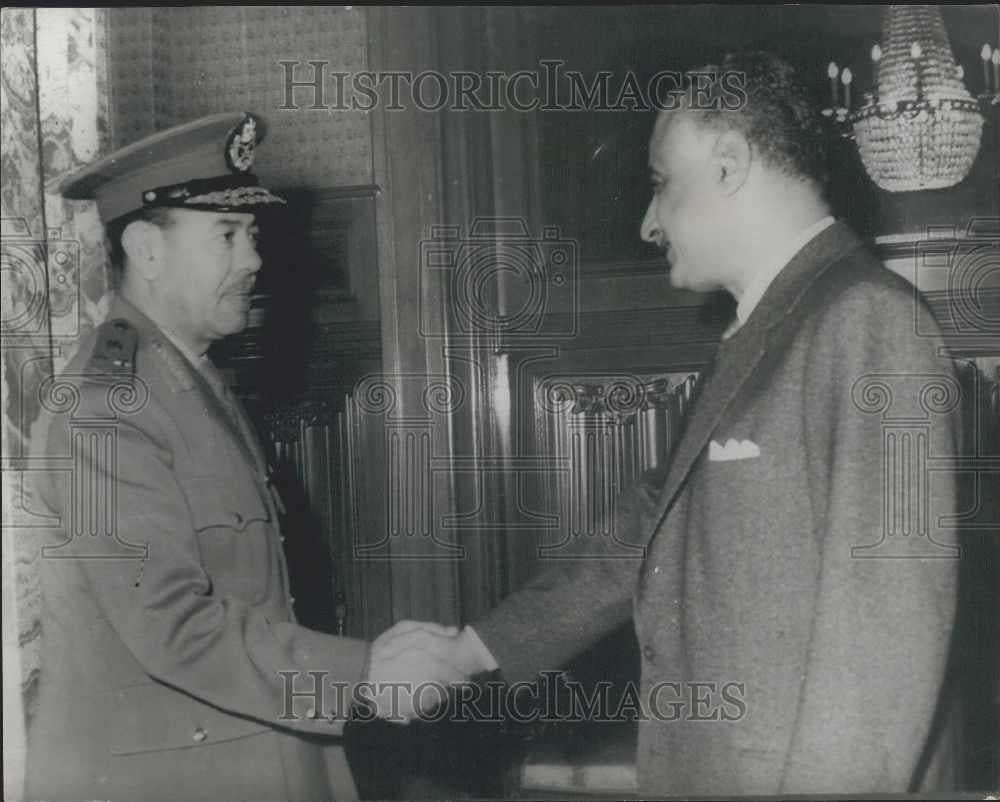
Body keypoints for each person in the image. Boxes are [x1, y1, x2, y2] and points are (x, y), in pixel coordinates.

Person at [373, 52, 962, 795]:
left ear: (728, 165)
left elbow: (884, 649)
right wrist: (474, 651)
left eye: (659, 184)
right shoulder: (764, 333)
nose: (648, 223)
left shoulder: (869, 321)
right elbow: (645, 536)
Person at [26, 112, 460, 802]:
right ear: (146, 249)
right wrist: (364, 674)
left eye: (251, 235)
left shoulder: (187, 379)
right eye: (227, 234)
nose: (254, 260)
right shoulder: (104, 409)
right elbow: (171, 624)